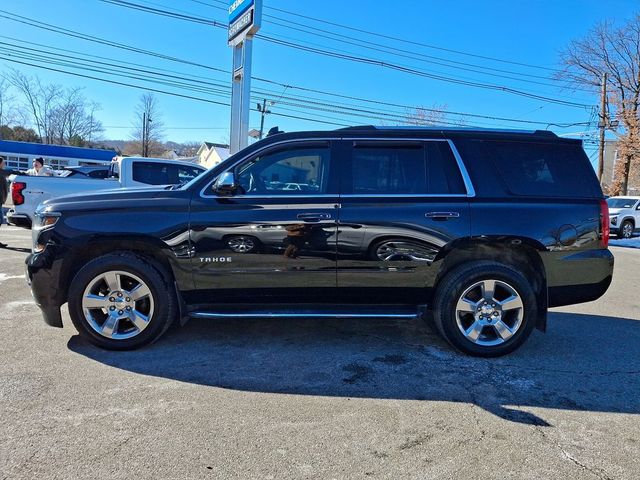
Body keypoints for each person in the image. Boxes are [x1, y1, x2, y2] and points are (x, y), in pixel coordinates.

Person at [0, 156, 22, 248]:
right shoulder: (1, 172)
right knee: (0, 220)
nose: (4, 164)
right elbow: (11, 172)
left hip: (0, 201)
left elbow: (11, 172)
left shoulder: (2, 172)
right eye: (3, 162)